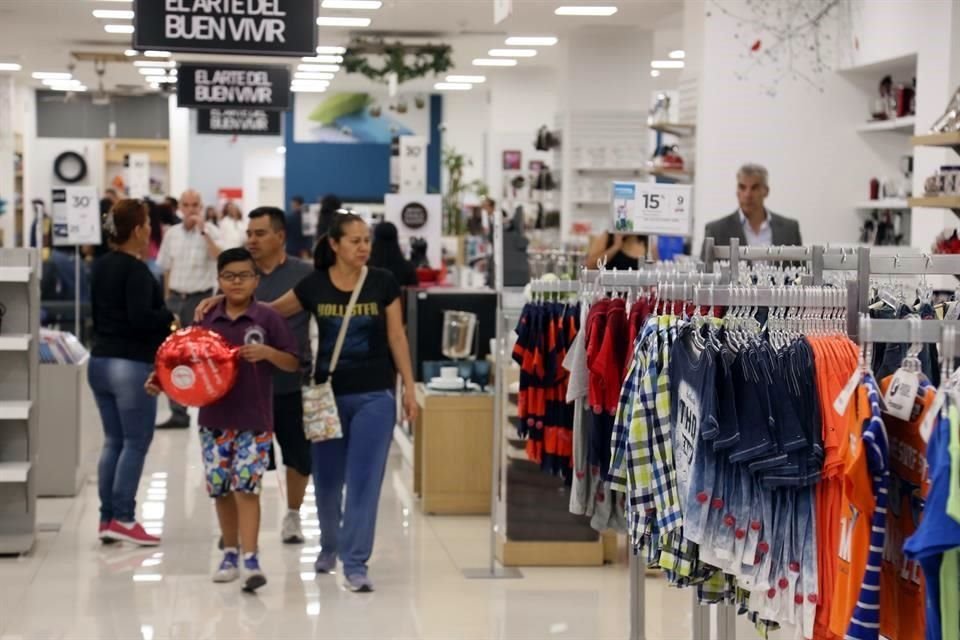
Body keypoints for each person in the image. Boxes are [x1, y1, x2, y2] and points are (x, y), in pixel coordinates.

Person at [195, 213, 418, 593]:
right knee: (328, 479)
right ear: (334, 244)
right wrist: (225, 298)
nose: (363, 247)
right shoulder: (314, 284)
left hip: (375, 394)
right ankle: (330, 545)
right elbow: (267, 310)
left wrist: (409, 387)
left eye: (367, 240)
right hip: (323, 395)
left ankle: (355, 561)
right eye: (354, 240)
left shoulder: (383, 282)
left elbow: (397, 336)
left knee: (365, 480)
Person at [151, 247, 298, 593]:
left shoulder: (267, 319)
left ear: (256, 280)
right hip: (214, 419)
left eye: (244, 275)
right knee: (221, 488)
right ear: (218, 280)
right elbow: (182, 359)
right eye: (229, 276)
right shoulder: (206, 318)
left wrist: (268, 353)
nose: (236, 282)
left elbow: (293, 362)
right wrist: (158, 380)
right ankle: (229, 553)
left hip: (255, 419)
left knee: (248, 487)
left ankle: (251, 558)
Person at [89, 199, 175, 547]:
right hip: (130, 364)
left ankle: (107, 516)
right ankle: (123, 517)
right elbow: (142, 319)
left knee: (113, 441)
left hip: (100, 361)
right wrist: (168, 320)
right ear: (139, 230)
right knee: (136, 441)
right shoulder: (138, 271)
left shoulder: (100, 265)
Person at [245, 207, 315, 544]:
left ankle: (293, 515)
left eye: (259, 233)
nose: (252, 240)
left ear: (280, 236)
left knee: (298, 455)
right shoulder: (242, 274)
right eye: (249, 234)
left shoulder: (305, 274)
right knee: (250, 458)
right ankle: (246, 523)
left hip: (293, 382)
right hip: (248, 384)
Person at [155, 189, 224, 429]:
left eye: (195, 204)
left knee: (200, 356)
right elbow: (165, 267)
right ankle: (178, 412)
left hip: (200, 299)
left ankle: (207, 410)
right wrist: (167, 301)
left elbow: (221, 259)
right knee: (174, 357)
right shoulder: (172, 234)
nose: (191, 209)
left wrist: (203, 232)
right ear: (180, 208)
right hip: (175, 298)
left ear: (201, 206)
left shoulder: (211, 231)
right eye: (186, 205)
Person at [701, 163, 802, 254]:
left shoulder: (789, 229)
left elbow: (801, 271)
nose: (748, 194)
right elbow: (704, 272)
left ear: (766, 191)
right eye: (742, 187)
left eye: (754, 188)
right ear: (737, 192)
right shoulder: (716, 231)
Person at [370, 222, 418, 287]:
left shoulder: (366, 266)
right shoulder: (407, 267)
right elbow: (413, 293)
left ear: (375, 238)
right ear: (396, 238)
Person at [585, 233, 658, 270]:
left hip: (637, 297)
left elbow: (653, 275)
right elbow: (589, 266)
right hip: (607, 297)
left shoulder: (648, 243)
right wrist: (615, 247)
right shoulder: (608, 236)